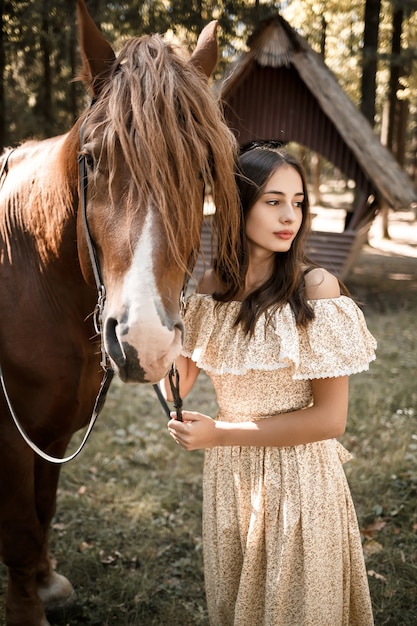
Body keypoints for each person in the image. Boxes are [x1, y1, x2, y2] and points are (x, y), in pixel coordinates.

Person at [165, 145, 376, 625]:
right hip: (230, 480)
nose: (290, 217)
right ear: (237, 205)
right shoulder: (211, 287)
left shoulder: (316, 289)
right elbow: (176, 382)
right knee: (239, 606)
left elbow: (330, 420)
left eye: (298, 202)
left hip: (299, 480)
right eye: (273, 201)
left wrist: (219, 432)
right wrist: (161, 313)